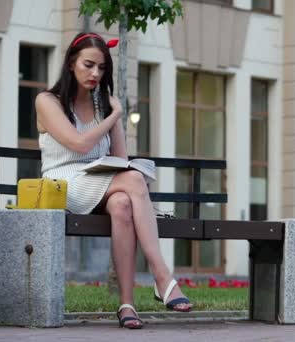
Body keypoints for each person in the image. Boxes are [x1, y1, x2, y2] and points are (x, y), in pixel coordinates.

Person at [35, 32, 192, 329]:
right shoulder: (47, 101)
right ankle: (162, 276)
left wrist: (110, 117)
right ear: (71, 63)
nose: (96, 73)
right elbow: (79, 145)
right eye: (88, 65)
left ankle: (126, 305)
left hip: (97, 182)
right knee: (133, 182)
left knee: (122, 204)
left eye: (102, 68)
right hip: (62, 183)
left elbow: (121, 160)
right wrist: (116, 114)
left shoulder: (102, 107)